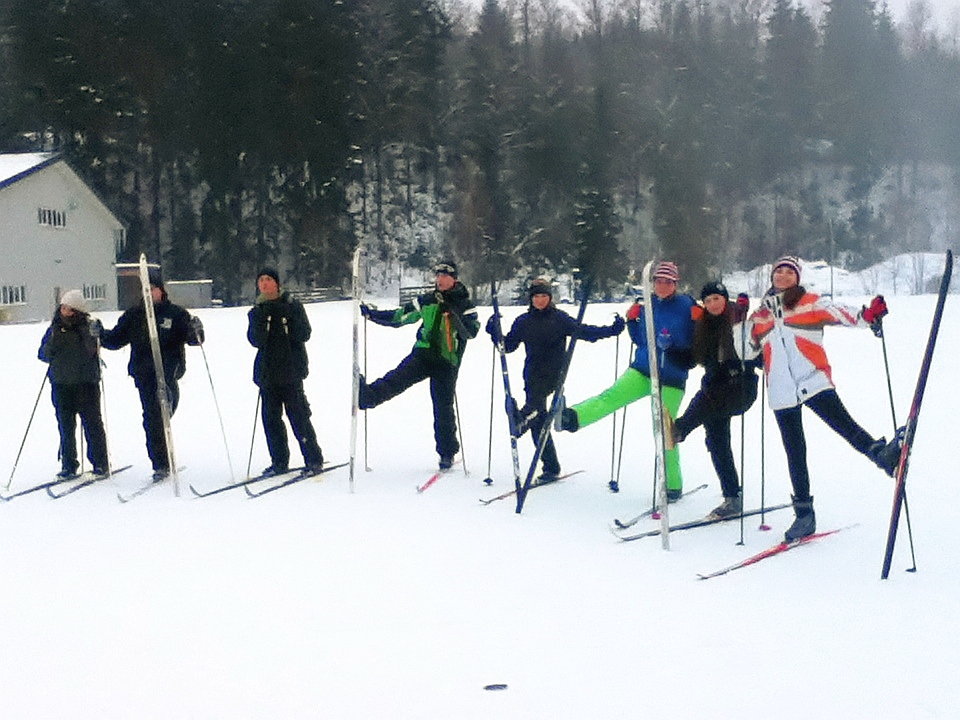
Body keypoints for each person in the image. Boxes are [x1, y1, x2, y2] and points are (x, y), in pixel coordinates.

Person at [745, 255, 901, 541]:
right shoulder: (760, 316)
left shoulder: (810, 303)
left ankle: (883, 456)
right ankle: (804, 515)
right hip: (780, 390)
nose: (783, 275)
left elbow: (841, 312)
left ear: (797, 277)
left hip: (813, 380)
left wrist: (868, 316)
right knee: (795, 452)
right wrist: (737, 320)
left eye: (789, 272)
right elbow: (745, 350)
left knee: (845, 426)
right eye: (779, 271)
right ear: (772, 276)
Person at [556, 261, 697, 498]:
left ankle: (673, 485)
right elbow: (641, 340)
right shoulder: (647, 305)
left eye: (668, 282)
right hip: (643, 369)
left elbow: (699, 339)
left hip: (672, 377)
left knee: (665, 431)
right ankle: (572, 418)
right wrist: (632, 322)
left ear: (675, 284)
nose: (662, 286)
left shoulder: (687, 305)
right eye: (658, 281)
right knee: (611, 397)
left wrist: (680, 347)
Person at [485, 278, 625, 481]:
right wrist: (494, 332)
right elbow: (507, 346)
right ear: (531, 299)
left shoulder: (559, 319)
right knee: (538, 422)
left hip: (553, 374)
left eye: (544, 296)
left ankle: (520, 422)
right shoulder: (523, 322)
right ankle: (550, 465)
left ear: (550, 298)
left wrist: (611, 330)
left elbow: (585, 332)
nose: (540, 300)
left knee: (533, 409)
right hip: (531, 374)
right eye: (536, 296)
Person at [359, 260, 480, 470]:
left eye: (445, 276)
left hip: (447, 361)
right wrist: (373, 315)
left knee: (443, 407)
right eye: (438, 276)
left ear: (454, 279)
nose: (440, 280)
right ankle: (368, 397)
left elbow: (470, 332)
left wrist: (453, 314)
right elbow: (400, 317)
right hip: (423, 353)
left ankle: (447, 453)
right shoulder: (427, 300)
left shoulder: (466, 304)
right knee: (397, 379)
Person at [100, 268, 204, 479]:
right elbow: (115, 339)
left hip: (168, 374)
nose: (149, 293)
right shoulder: (134, 315)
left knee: (164, 412)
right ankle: (160, 463)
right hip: (144, 375)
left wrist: (196, 329)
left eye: (153, 289)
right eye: (146, 289)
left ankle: (163, 451)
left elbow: (193, 339)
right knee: (153, 417)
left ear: (161, 290)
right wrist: (100, 334)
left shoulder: (175, 314)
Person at [670, 282, 758, 518]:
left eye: (716, 299)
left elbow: (754, 350)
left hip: (739, 386)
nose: (712, 304)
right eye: (707, 301)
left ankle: (679, 428)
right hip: (715, 386)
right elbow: (693, 359)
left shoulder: (738, 319)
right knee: (717, 441)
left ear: (725, 299)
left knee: (706, 401)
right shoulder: (704, 326)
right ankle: (732, 498)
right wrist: (669, 351)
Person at [247, 267, 324, 476]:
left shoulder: (292, 306)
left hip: (291, 372)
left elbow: (305, 333)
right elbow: (255, 340)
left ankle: (313, 459)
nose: (264, 283)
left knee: (299, 418)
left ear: (277, 283)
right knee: (271, 421)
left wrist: (287, 318)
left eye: (268, 279)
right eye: (261, 280)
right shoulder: (257, 311)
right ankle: (279, 462)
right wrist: (264, 320)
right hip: (267, 374)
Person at [38, 289, 110, 478]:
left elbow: (94, 348)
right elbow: (42, 354)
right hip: (61, 384)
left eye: (69, 309)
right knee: (65, 427)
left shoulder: (89, 327)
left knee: (93, 425)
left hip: (86, 384)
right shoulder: (54, 329)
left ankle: (100, 463)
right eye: (63, 308)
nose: (65, 312)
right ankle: (68, 464)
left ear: (78, 311)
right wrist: (51, 345)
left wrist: (97, 335)